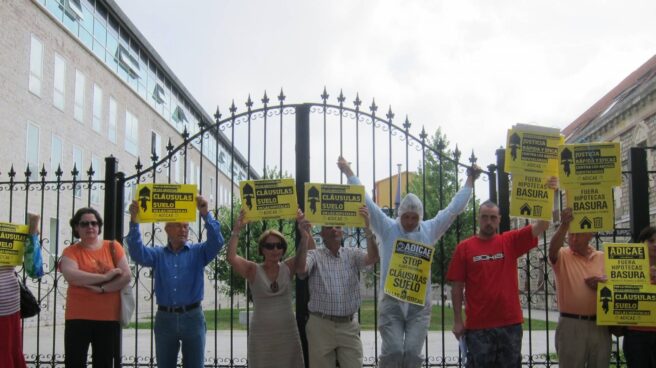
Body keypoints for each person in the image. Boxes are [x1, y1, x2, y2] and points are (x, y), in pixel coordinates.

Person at [338, 156, 479, 368]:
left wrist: (470, 181)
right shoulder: (387, 228)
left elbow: (452, 210)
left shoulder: (430, 229)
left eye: (414, 217)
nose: (410, 222)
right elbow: (366, 200)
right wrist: (348, 172)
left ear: (420, 216)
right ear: (400, 215)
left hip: (419, 307)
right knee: (393, 351)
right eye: (406, 217)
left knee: (413, 354)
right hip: (391, 303)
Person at [447, 193, 555, 367]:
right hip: (478, 327)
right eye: (484, 217)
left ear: (499, 220)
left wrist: (549, 191)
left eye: (492, 218)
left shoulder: (510, 241)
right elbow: (457, 286)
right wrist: (458, 320)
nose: (488, 222)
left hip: (509, 325)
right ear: (478, 218)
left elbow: (542, 224)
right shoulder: (464, 248)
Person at [126, 195, 223, 368]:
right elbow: (136, 252)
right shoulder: (158, 254)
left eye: (186, 226)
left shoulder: (199, 252)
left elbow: (217, 242)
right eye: (178, 225)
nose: (183, 229)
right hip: (165, 319)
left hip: (193, 318)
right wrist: (135, 221)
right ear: (167, 229)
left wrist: (205, 213)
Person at [227, 208, 309, 368]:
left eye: (279, 245)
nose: (275, 249)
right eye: (270, 246)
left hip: (287, 332)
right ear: (262, 249)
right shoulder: (252, 270)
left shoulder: (289, 267)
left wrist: (304, 233)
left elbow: (308, 254)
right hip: (262, 334)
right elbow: (231, 257)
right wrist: (236, 230)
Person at [300, 206, 379, 368]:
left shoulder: (352, 254)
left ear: (343, 231)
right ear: (321, 234)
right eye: (329, 227)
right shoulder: (314, 255)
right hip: (320, 325)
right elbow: (301, 270)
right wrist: (303, 238)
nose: (334, 230)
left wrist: (368, 230)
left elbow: (373, 258)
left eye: (338, 226)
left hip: (348, 326)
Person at [59, 207, 132, 368]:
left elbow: (126, 275)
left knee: (104, 363)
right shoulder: (71, 251)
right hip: (78, 316)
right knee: (75, 362)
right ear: (76, 228)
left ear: (99, 226)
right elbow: (71, 275)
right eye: (84, 224)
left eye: (94, 223)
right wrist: (104, 277)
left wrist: (103, 288)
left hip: (107, 317)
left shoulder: (113, 247)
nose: (90, 227)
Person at [547, 207, 610, 368]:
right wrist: (564, 226)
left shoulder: (603, 258)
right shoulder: (563, 255)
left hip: (600, 325)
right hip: (571, 324)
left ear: (591, 234)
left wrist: (604, 284)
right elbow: (552, 251)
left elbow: (615, 286)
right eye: (571, 235)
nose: (573, 239)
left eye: (579, 234)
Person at [0, 213, 42, 368]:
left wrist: (33, 230)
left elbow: (34, 269)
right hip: (8, 302)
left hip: (7, 306)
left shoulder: (10, 232)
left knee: (6, 350)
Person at [623, 225, 656, 367]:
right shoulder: (627, 268)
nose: (655, 244)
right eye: (651, 240)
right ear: (641, 242)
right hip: (635, 334)